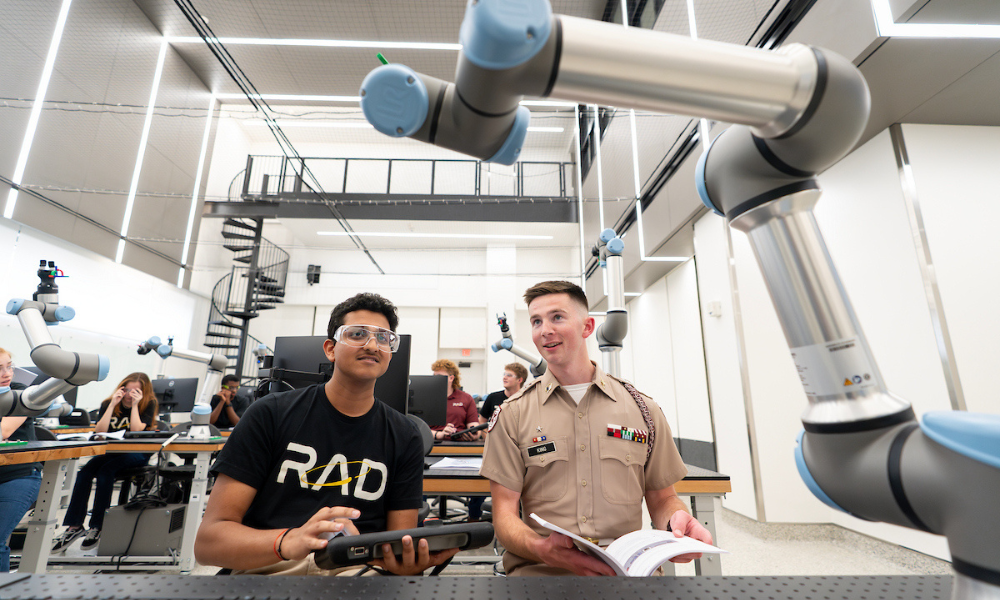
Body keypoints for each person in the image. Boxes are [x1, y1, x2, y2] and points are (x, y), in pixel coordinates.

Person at [195, 293, 458, 575]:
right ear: (330, 349)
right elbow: (208, 544)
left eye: (384, 338)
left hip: (357, 572)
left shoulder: (404, 435)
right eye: (357, 334)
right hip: (269, 565)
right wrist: (288, 540)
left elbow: (397, 547)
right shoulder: (269, 413)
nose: (372, 344)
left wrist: (408, 563)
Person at [481, 280, 713, 576]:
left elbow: (663, 498)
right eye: (536, 321)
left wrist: (677, 518)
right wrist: (543, 550)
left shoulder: (642, 410)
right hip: (542, 574)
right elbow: (504, 516)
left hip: (628, 575)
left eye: (557, 317)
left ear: (587, 327)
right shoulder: (513, 414)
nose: (544, 330)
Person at [51, 372, 158, 553]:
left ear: (143, 392)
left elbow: (135, 430)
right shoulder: (109, 403)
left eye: (135, 391)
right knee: (84, 473)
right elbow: (99, 431)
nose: (129, 394)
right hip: (112, 452)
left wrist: (135, 406)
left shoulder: (148, 403)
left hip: (137, 452)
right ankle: (74, 526)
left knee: (105, 472)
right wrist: (112, 405)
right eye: (126, 390)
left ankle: (97, 526)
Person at [0, 349, 42, 572]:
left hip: (18, 475)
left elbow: (4, 431)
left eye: (9, 366)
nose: (7, 373)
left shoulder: (22, 394)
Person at [429, 359, 479, 442]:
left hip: (459, 443)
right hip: (433, 443)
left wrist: (474, 435)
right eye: (434, 376)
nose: (435, 379)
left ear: (451, 378)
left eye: (439, 376)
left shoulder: (466, 398)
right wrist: (439, 434)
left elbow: (473, 425)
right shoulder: (427, 398)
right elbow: (419, 428)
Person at [478, 362, 528, 428]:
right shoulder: (492, 397)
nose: (504, 377)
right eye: (504, 374)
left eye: (509, 375)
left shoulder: (527, 399)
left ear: (519, 380)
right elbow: (482, 421)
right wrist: (488, 437)